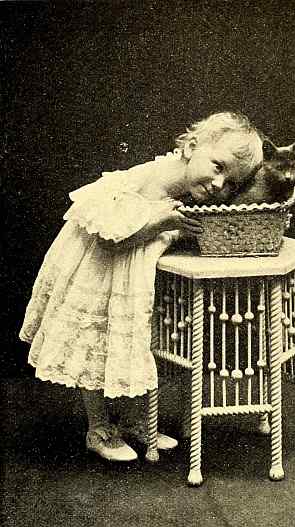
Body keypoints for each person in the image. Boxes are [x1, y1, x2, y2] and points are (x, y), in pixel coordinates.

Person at [19, 111, 264, 462]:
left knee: (138, 343)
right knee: (96, 342)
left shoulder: (186, 189)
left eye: (230, 182)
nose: (218, 184)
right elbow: (110, 240)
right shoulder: (153, 181)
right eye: (218, 167)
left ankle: (135, 420)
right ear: (191, 147)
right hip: (100, 269)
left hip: (131, 274)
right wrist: (162, 223)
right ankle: (98, 428)